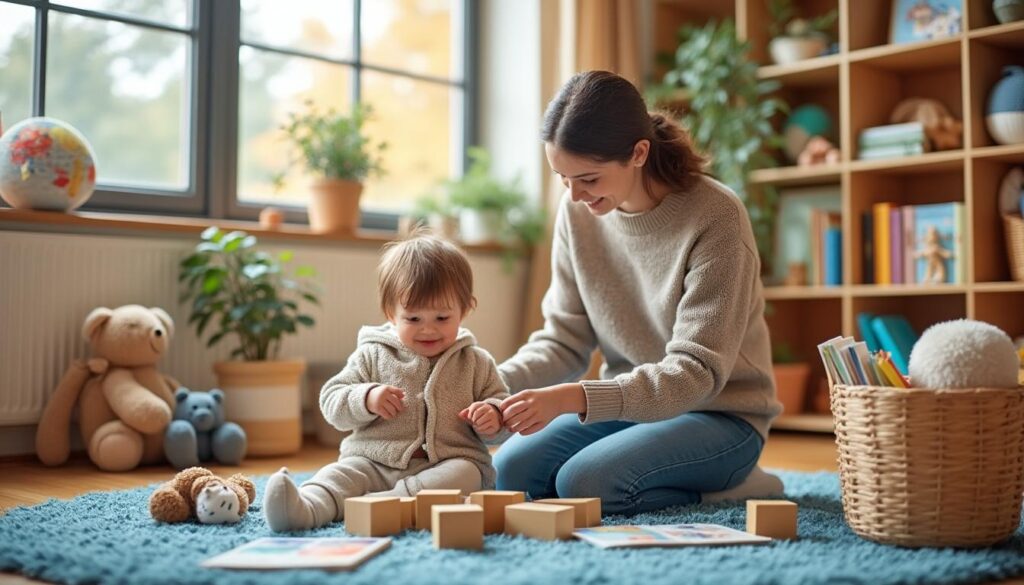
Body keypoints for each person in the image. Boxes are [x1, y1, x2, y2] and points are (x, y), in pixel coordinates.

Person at [493, 70, 784, 515]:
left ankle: (736, 485)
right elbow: (563, 340)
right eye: (562, 178)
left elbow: (695, 373)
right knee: (510, 469)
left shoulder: (717, 216)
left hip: (720, 414)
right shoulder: (579, 213)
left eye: (588, 178)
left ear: (638, 153)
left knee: (584, 482)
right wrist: (488, 387)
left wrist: (571, 398)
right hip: (629, 404)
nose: (573, 196)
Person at [264, 232, 509, 532]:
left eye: (442, 318)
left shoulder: (477, 363)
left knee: (468, 473)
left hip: (442, 467)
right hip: (372, 461)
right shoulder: (372, 354)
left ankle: (389, 502)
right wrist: (366, 398)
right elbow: (331, 401)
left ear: (466, 309)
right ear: (391, 313)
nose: (428, 330)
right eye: (413, 319)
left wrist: (493, 416)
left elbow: (502, 409)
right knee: (340, 475)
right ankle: (305, 508)